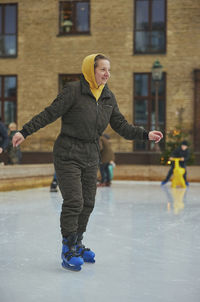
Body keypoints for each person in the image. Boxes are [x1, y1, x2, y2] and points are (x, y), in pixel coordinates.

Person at [12, 53, 163, 271]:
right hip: (68, 152)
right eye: (103, 69)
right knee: (74, 200)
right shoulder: (73, 90)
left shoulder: (108, 97)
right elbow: (50, 113)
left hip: (91, 154)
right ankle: (67, 247)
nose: (107, 74)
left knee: (88, 202)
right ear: (90, 70)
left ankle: (77, 243)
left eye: (109, 70)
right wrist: (24, 131)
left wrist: (145, 134)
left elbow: (121, 125)